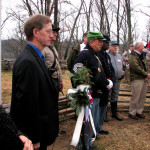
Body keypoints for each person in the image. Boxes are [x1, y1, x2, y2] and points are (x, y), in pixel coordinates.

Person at [10, 14, 59, 150]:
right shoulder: (28, 61)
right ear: (36, 32)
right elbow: (27, 104)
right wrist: (34, 137)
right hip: (34, 138)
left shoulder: (36, 56)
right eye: (48, 31)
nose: (52, 35)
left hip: (42, 131)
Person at [73, 31, 111, 150]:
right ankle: (82, 146)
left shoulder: (94, 54)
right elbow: (76, 72)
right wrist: (84, 89)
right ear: (92, 41)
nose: (101, 44)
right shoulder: (84, 54)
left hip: (96, 93)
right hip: (89, 94)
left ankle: (88, 143)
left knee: (92, 121)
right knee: (87, 122)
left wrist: (105, 82)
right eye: (99, 41)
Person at [128, 41, 150, 120]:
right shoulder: (133, 56)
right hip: (137, 78)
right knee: (136, 96)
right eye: (142, 46)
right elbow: (136, 67)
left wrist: (147, 74)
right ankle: (132, 112)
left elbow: (146, 65)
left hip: (144, 78)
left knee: (142, 96)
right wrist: (146, 74)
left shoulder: (142, 55)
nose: (144, 47)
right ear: (138, 47)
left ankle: (139, 111)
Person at [98, 35, 115, 131]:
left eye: (108, 43)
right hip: (102, 84)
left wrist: (111, 81)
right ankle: (97, 127)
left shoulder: (106, 55)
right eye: (106, 43)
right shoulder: (99, 55)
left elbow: (111, 69)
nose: (108, 44)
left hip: (108, 84)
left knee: (104, 105)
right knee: (100, 107)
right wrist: (106, 82)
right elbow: (101, 71)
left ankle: (100, 126)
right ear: (102, 43)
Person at [42, 25, 63, 93]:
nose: (56, 34)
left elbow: (57, 65)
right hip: (48, 80)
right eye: (54, 32)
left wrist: (60, 80)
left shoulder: (53, 48)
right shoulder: (43, 48)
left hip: (55, 79)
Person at [107, 41, 123, 121]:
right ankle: (105, 114)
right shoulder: (107, 56)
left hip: (118, 80)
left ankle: (114, 113)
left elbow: (122, 66)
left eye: (116, 46)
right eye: (113, 46)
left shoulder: (120, 56)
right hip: (110, 80)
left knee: (115, 96)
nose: (115, 47)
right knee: (108, 96)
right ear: (109, 47)